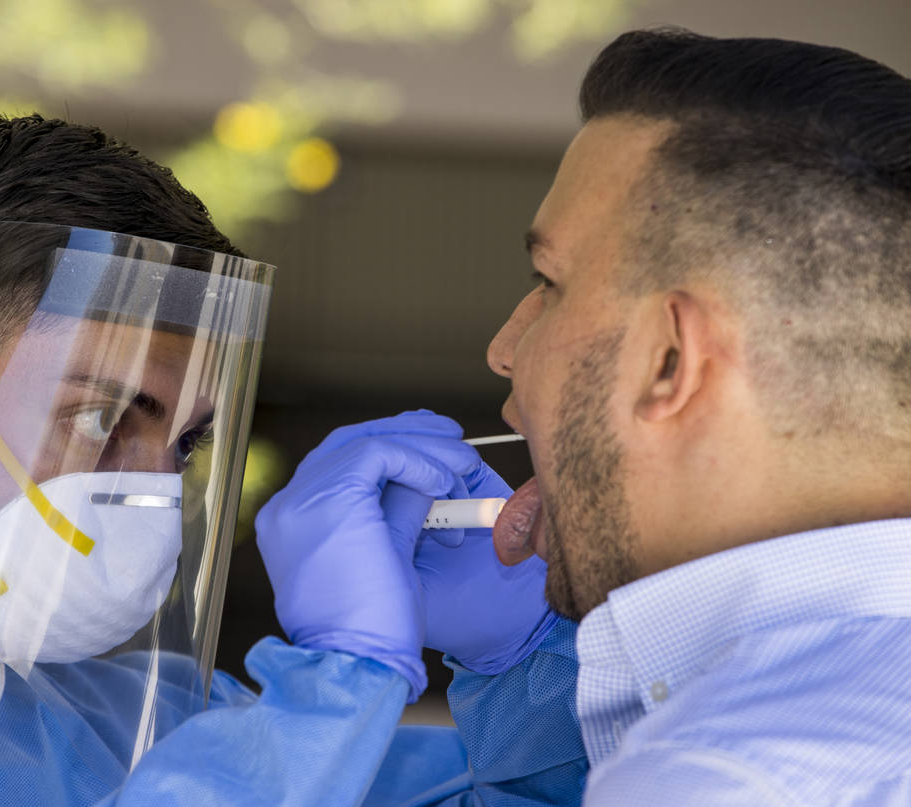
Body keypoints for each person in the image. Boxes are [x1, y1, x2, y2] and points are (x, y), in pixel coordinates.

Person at [0, 111, 506, 806]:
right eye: (100, 416)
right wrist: (337, 688)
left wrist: (522, 661)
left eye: (186, 443)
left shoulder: (151, 724)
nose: (154, 492)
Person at [257, 28, 911, 806]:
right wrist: (527, 667)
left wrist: (337, 681)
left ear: (671, 358)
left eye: (549, 282)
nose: (505, 349)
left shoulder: (730, 775)